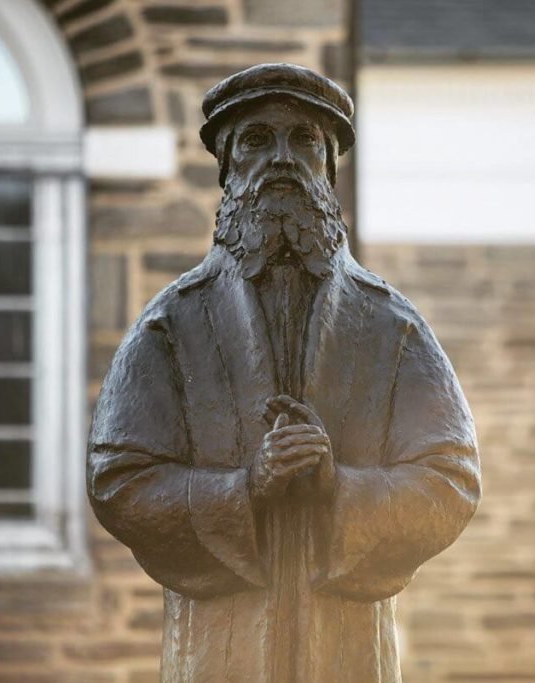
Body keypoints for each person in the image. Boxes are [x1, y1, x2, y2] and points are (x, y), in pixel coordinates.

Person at [87, 63, 481, 682]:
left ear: (328, 168)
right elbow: (119, 480)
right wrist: (244, 488)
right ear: (227, 170)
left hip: (347, 647)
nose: (281, 159)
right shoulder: (172, 324)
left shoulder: (390, 325)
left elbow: (451, 479)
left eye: (303, 140)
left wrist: (338, 485)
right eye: (256, 141)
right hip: (219, 646)